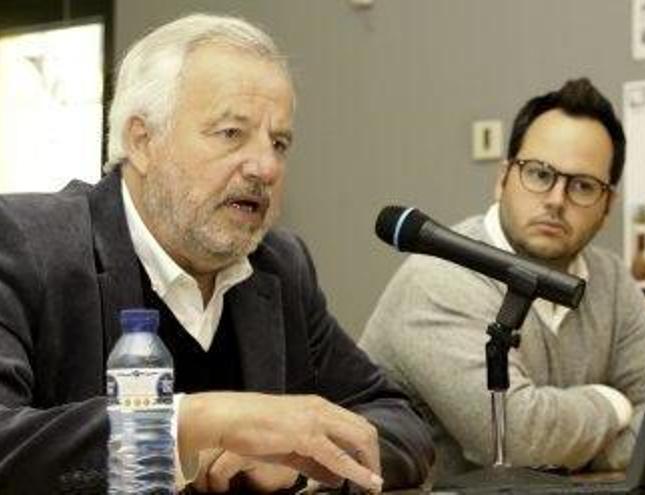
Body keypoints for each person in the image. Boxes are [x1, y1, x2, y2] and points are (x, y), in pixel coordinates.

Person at [0, 14, 433, 494]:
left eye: (280, 143)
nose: (266, 166)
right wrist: (199, 420)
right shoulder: (27, 243)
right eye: (231, 133)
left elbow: (397, 421)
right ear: (142, 141)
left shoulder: (280, 267)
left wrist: (304, 464)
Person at [360, 78, 645, 477]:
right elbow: (517, 438)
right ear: (502, 178)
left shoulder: (610, 280)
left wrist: (583, 455)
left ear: (608, 206)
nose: (556, 200)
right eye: (539, 174)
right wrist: (614, 405)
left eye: (583, 186)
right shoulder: (439, 276)